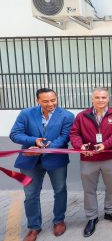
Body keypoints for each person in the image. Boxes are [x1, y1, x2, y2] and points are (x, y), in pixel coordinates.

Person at [10, 88, 74, 241]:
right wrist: (33, 141)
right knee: (30, 194)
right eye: (45, 101)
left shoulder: (67, 116)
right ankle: (33, 227)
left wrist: (45, 149)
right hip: (29, 161)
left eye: (53, 100)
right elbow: (15, 134)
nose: (50, 104)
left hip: (55, 160)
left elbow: (64, 138)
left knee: (60, 190)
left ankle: (59, 220)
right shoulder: (26, 114)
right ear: (37, 100)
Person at [69, 88, 112, 238]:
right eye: (98, 97)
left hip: (109, 158)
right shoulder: (81, 116)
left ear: (108, 98)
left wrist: (105, 145)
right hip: (88, 159)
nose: (101, 100)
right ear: (92, 99)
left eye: (104, 97)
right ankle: (92, 217)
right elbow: (74, 133)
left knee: (111, 186)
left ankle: (110, 211)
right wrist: (79, 146)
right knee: (89, 189)